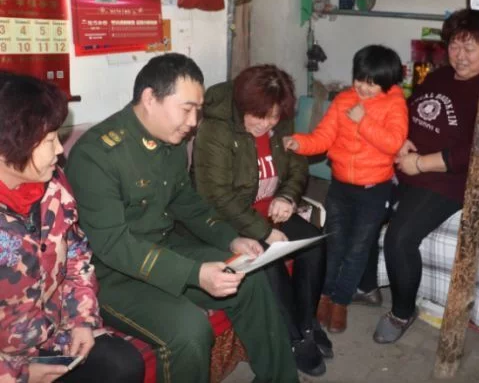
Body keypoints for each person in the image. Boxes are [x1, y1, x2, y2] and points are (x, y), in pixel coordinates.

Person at [65, 54, 299, 383]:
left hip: (165, 246)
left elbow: (187, 202)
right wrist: (194, 273)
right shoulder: (97, 155)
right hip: (111, 273)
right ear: (150, 98)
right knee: (189, 331)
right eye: (186, 109)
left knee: (249, 278)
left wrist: (231, 238)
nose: (193, 121)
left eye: (197, 110)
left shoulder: (172, 138)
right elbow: (114, 245)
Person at [371, 9, 479, 344]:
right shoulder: (439, 76)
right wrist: (399, 139)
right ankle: (366, 285)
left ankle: (402, 312)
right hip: (404, 162)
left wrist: (421, 163)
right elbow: (408, 109)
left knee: (399, 238)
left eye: (470, 48)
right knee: (359, 205)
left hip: (446, 179)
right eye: (455, 45)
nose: (459, 55)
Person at [0, 72, 144, 383]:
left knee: (123, 364)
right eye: (48, 140)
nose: (59, 151)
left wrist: (82, 321)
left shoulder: (53, 186)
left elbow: (77, 257)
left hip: (53, 334)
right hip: (7, 362)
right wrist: (20, 375)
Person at [192, 65, 331, 376]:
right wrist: (264, 232)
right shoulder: (216, 129)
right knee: (268, 260)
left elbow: (297, 167)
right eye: (260, 116)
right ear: (243, 105)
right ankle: (293, 339)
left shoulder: (279, 121)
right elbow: (216, 196)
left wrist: (288, 197)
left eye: (274, 117)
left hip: (270, 210)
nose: (267, 123)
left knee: (314, 245)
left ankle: (307, 325)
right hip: (232, 217)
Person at [284, 44, 408, 334]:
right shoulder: (343, 100)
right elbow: (323, 138)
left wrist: (363, 121)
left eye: (372, 83)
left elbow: (393, 143)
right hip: (340, 187)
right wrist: (299, 142)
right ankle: (324, 297)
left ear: (387, 83)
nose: (363, 87)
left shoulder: (395, 104)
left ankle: (341, 302)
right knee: (334, 245)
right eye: (360, 79)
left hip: (374, 190)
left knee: (358, 249)